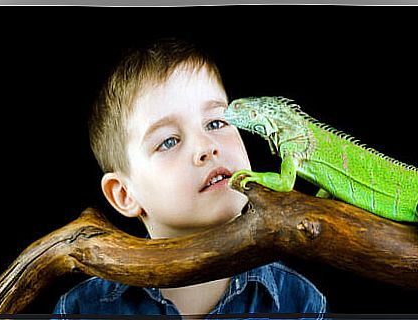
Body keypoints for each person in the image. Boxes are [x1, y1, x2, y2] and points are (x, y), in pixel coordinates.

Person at [52, 38, 327, 317]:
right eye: (169, 141)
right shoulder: (81, 310)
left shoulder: (299, 303)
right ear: (124, 194)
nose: (206, 147)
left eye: (216, 123)